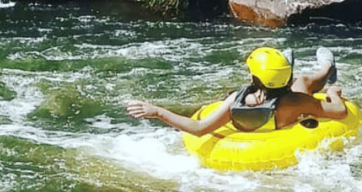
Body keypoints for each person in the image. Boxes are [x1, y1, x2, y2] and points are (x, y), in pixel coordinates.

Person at [126, 47, 347, 136]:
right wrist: (334, 92)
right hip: (285, 105)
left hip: (268, 105)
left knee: (300, 81)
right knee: (304, 80)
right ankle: (327, 68)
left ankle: (303, 65)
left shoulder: (236, 100)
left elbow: (199, 128)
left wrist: (156, 111)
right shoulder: (298, 102)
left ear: (255, 78)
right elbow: (339, 112)